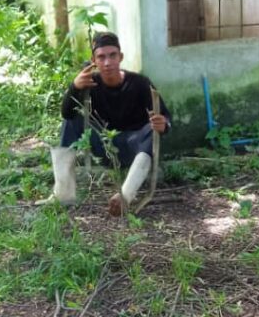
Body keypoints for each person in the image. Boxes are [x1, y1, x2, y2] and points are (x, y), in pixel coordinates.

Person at [51, 32, 171, 216]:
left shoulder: (139, 83)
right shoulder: (90, 83)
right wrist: (74, 87)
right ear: (94, 60)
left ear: (120, 57)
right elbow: (67, 114)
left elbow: (164, 117)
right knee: (72, 121)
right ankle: (63, 193)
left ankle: (125, 197)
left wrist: (164, 125)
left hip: (134, 147)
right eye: (101, 57)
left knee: (150, 129)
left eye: (112, 55)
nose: (107, 62)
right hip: (104, 145)